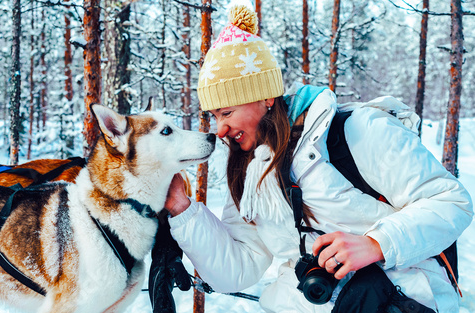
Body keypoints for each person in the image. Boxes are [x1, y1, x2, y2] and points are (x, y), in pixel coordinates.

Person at [164, 5, 473, 312]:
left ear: (265, 97)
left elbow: (451, 201)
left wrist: (377, 244)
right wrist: (182, 209)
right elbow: (238, 269)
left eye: (227, 112)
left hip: (400, 300)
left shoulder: (355, 131)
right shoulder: (248, 170)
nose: (220, 130)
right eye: (215, 116)